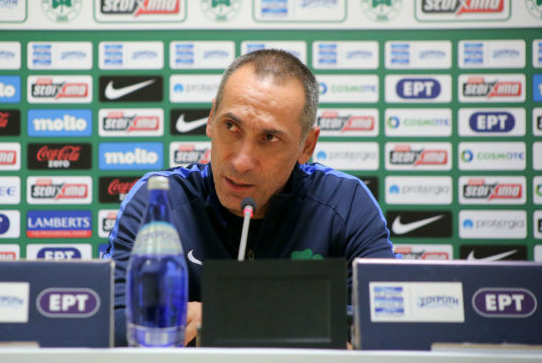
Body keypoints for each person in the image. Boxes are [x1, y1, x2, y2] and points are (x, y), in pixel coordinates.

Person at [104, 49, 395, 347]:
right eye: (231, 126)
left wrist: (224, 319)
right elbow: (110, 324)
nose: (242, 161)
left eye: (269, 138)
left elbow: (386, 326)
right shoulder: (159, 201)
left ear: (307, 145)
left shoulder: (345, 204)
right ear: (211, 118)